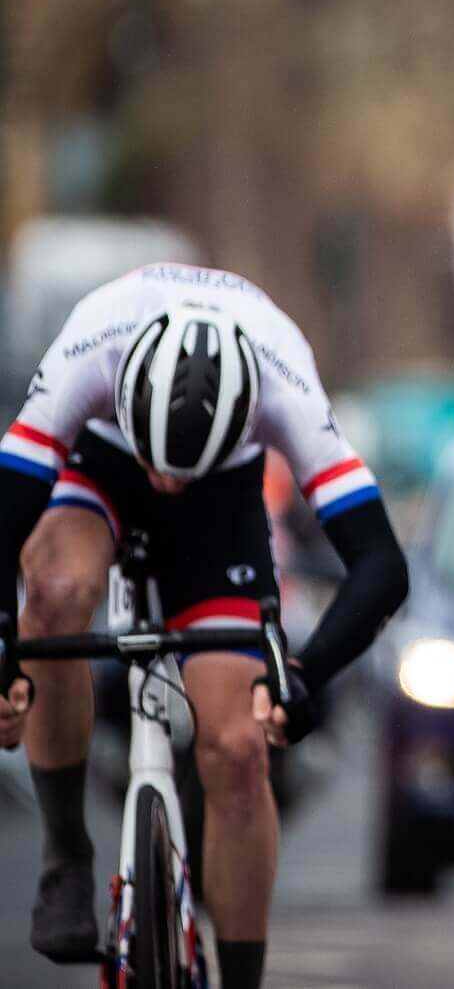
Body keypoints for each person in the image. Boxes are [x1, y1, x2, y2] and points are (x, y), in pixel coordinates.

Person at [0, 264, 409, 989]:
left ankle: (241, 977)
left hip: (223, 500)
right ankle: (66, 852)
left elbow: (381, 563)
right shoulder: (89, 345)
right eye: (162, 470)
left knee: (240, 747)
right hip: (100, 461)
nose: (168, 485)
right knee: (57, 593)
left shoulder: (285, 372)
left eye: (178, 473)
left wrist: (304, 674)